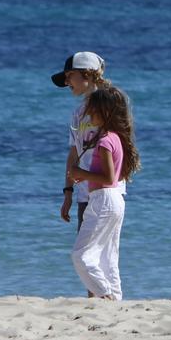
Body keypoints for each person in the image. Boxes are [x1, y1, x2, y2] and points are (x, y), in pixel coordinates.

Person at [65, 81, 140, 300]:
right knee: (108, 256)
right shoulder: (115, 138)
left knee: (80, 255)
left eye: (93, 111)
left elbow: (108, 178)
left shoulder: (106, 141)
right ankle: (115, 299)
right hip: (114, 198)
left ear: (105, 112)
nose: (89, 115)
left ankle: (104, 294)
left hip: (103, 199)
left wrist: (82, 173)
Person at [51, 51, 107, 228]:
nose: (67, 82)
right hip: (84, 196)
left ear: (88, 74)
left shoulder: (110, 107)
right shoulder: (78, 113)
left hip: (106, 194)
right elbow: (74, 153)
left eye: (70, 76)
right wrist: (68, 193)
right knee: (88, 254)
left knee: (85, 255)